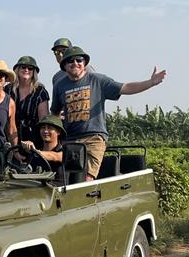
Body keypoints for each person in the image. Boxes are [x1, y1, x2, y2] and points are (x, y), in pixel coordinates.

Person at [50, 46, 166, 180]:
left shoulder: (98, 80)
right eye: (70, 61)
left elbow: (126, 87)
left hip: (94, 138)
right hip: (70, 139)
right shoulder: (60, 85)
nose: (75, 63)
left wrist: (150, 82)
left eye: (79, 60)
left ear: (84, 63)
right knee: (65, 180)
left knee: (86, 180)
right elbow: (54, 113)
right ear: (64, 65)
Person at [8, 55, 49, 146]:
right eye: (23, 67)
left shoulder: (40, 92)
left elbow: (44, 120)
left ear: (34, 72)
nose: (26, 70)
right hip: (10, 138)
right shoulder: (8, 90)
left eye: (30, 68)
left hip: (33, 139)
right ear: (17, 70)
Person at [18, 113, 65, 182]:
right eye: (43, 127)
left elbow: (54, 156)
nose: (45, 131)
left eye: (50, 128)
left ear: (58, 132)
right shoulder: (34, 155)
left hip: (57, 190)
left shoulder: (63, 152)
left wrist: (35, 151)